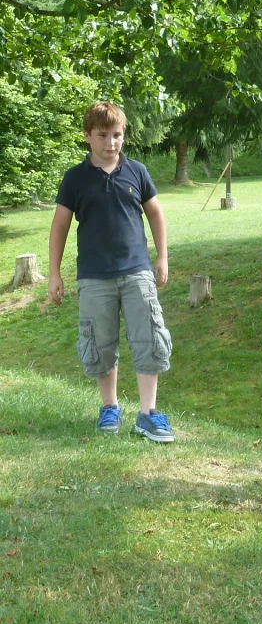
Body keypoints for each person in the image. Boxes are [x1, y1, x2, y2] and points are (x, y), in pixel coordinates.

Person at [48, 101, 175, 442]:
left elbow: (156, 215)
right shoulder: (75, 178)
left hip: (137, 272)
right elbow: (60, 225)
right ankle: (110, 408)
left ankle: (148, 414)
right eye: (102, 135)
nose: (111, 143)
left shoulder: (137, 171)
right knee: (101, 344)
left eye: (117, 135)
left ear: (124, 136)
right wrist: (54, 273)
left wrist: (161, 258)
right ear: (87, 136)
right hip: (93, 277)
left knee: (148, 338)